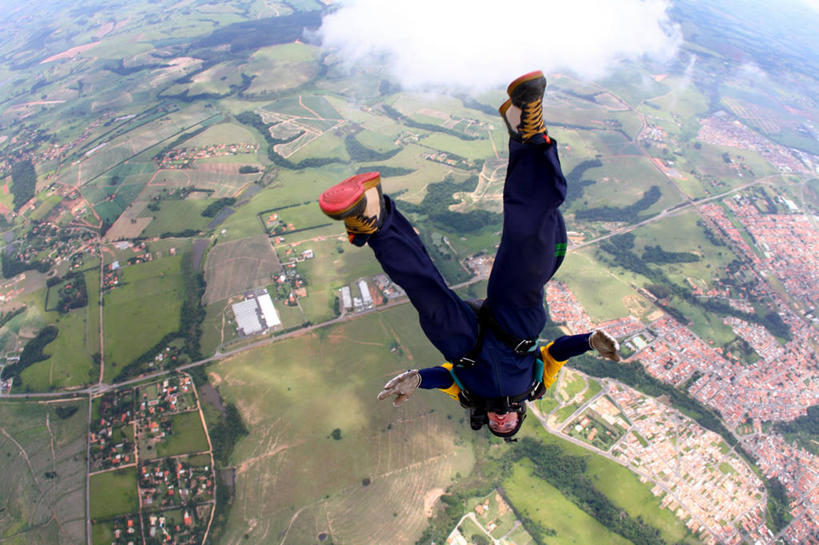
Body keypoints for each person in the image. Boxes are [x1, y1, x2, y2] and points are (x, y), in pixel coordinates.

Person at [318, 70, 621, 440]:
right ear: (520, 417)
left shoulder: (467, 395)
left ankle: (374, 217)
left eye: (496, 425)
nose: (501, 421)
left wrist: (417, 379)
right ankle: (529, 136)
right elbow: (555, 353)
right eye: (508, 425)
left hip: (464, 346)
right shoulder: (537, 389)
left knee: (426, 296)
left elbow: (443, 377)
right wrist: (589, 341)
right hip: (517, 330)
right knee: (528, 258)